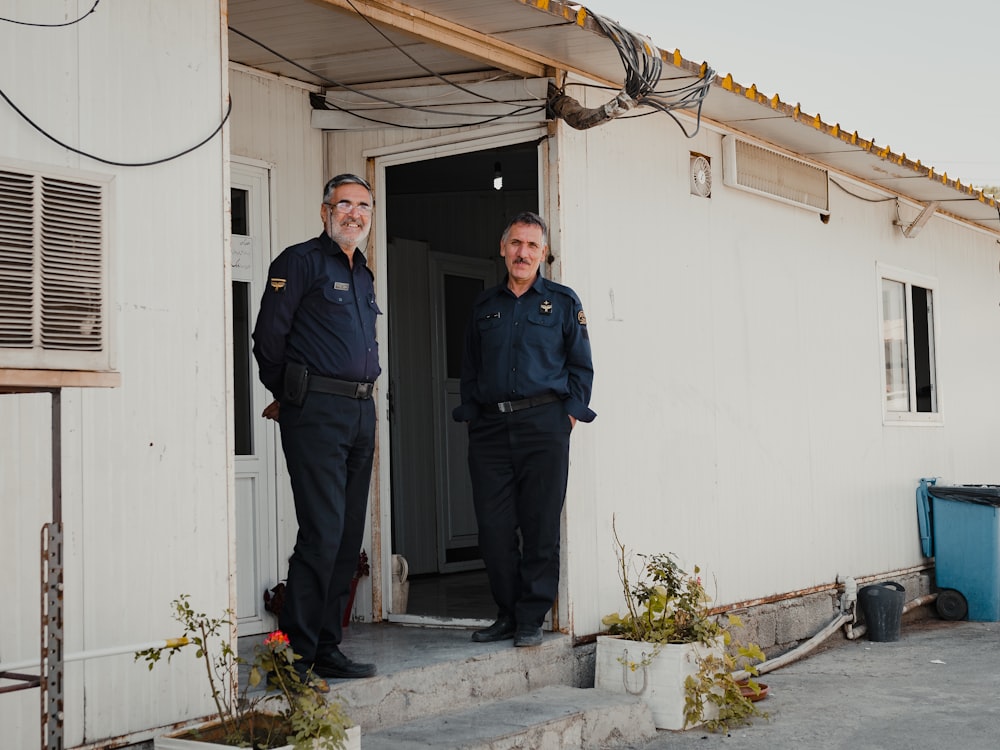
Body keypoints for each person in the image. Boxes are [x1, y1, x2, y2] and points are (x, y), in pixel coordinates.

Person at [252, 173, 380, 680]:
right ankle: (295, 656)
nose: (354, 213)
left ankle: (327, 647)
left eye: (363, 206)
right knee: (322, 533)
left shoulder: (364, 273)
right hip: (317, 413)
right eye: (343, 203)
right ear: (324, 212)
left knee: (348, 539)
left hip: (361, 411)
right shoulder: (298, 262)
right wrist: (291, 396)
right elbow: (268, 338)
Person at [452, 211, 595, 647]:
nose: (523, 252)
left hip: (544, 425)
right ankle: (506, 613)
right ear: (502, 248)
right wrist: (475, 414)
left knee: (539, 524)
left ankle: (531, 617)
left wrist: (567, 415)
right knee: (493, 529)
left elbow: (581, 366)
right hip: (491, 429)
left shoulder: (564, 302)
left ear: (544, 253)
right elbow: (470, 368)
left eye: (533, 246)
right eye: (516, 243)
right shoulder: (484, 306)